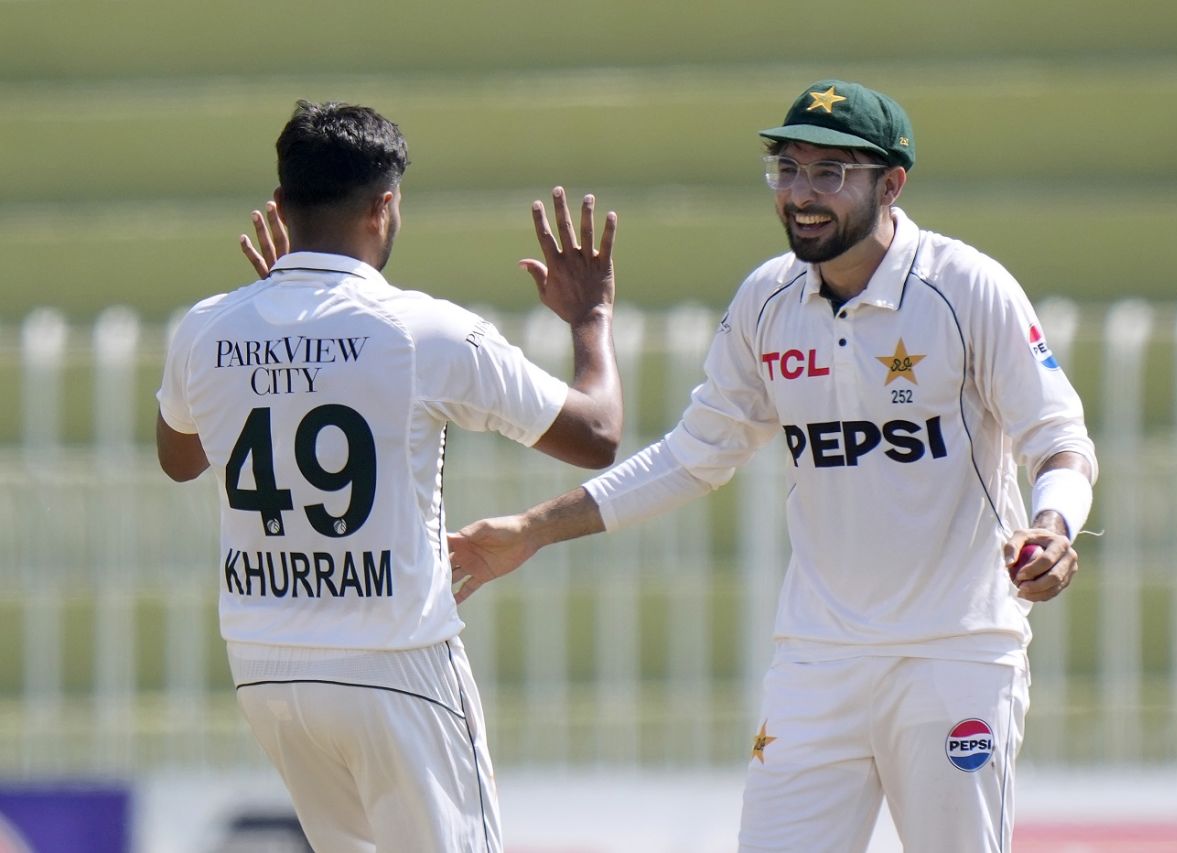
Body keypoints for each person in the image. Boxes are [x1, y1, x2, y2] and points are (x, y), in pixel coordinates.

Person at [447, 79, 1098, 852]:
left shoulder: (965, 288)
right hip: (817, 663)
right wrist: (532, 529)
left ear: (892, 183)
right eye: (787, 169)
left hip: (956, 652)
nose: (802, 194)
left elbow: (1060, 439)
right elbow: (693, 455)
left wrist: (1053, 526)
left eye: (830, 173)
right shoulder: (767, 302)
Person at [155, 100, 623, 853]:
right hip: (393, 661)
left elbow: (179, 458)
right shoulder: (422, 330)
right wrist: (590, 318)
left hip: (267, 668)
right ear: (385, 206)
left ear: (281, 207)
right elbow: (597, 434)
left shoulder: (207, 326)